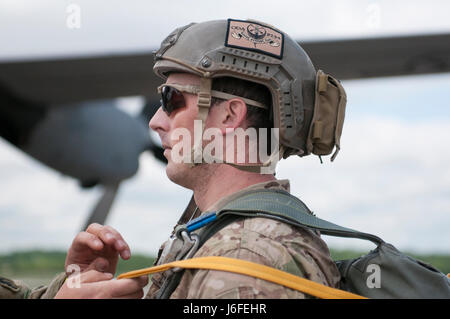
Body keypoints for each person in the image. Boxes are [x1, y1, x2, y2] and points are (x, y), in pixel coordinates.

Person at [0, 18, 346, 299]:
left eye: (171, 99)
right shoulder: (217, 241)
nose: (155, 122)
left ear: (229, 116)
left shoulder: (241, 267)